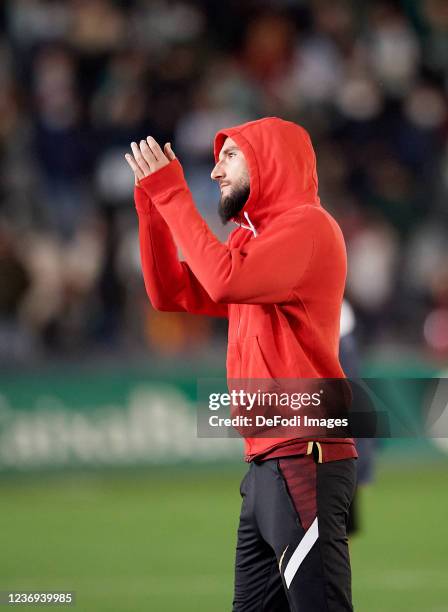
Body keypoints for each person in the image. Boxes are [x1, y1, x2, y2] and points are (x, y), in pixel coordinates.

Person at [125, 117, 357, 611]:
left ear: (269, 161)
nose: (214, 172)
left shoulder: (309, 228)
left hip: (303, 454)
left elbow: (224, 281)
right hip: (267, 464)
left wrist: (172, 195)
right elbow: (171, 293)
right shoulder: (254, 245)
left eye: (230, 155)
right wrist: (151, 206)